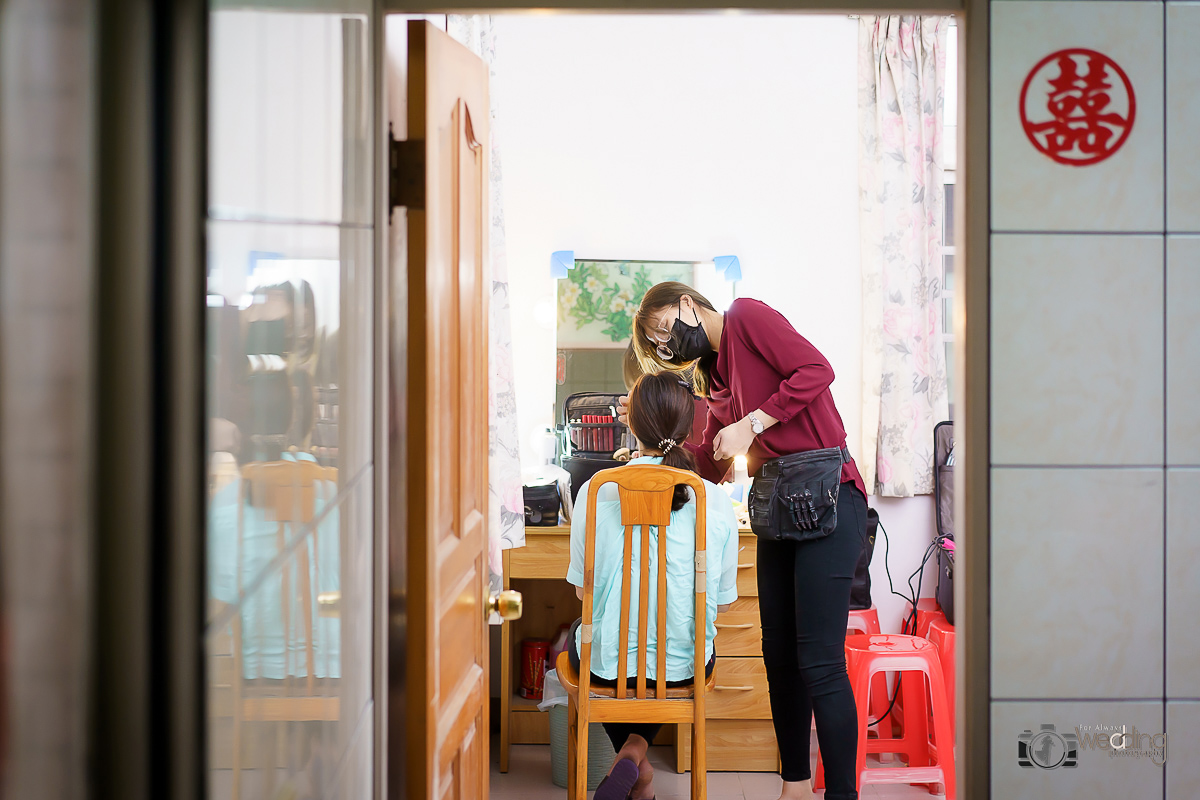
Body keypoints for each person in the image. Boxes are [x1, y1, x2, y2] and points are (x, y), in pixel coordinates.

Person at [623, 282, 868, 800]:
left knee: (820, 661)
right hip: (780, 505)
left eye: (666, 327)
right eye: (660, 344)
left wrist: (751, 423)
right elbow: (711, 462)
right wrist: (653, 458)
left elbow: (817, 370)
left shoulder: (745, 317)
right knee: (778, 655)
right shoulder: (713, 378)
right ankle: (795, 788)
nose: (668, 343)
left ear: (688, 304)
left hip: (830, 499)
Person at [566, 371, 741, 800]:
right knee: (666, 655)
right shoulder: (713, 499)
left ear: (632, 424)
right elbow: (722, 602)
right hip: (686, 666)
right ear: (690, 429)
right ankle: (637, 759)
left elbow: (581, 594)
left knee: (591, 643)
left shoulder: (596, 490)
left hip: (607, 663)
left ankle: (632, 756)